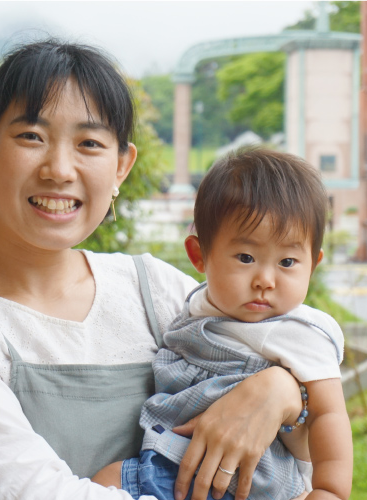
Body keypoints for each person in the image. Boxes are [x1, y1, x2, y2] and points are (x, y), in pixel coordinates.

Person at [0, 42, 307, 500]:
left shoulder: (154, 289)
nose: (60, 170)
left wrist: (280, 392)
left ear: (121, 166)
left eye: (89, 144)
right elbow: (24, 491)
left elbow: (301, 432)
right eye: (31, 137)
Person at [93, 148, 353, 500]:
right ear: (199, 255)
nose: (265, 279)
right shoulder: (195, 306)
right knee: (104, 481)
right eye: (246, 257)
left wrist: (328, 489)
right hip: (169, 464)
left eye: (288, 261)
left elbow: (328, 414)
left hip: (249, 482)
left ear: (314, 264)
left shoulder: (299, 331)